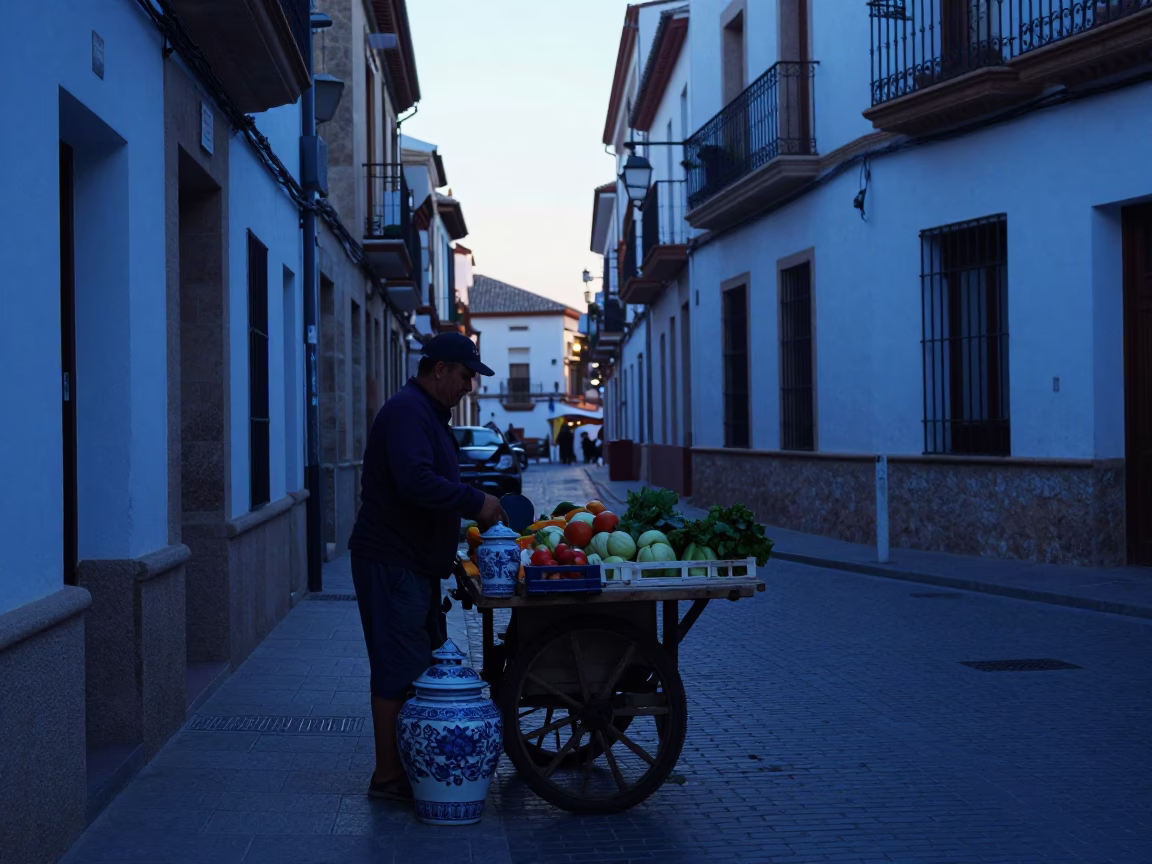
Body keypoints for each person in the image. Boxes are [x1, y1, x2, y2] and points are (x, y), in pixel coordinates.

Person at [347, 332, 507, 803]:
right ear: (439, 370)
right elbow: (416, 481)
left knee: (410, 663)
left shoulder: (425, 413)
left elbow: (429, 481)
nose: (469, 387)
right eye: (465, 376)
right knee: (397, 670)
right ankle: (388, 777)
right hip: (392, 562)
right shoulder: (406, 413)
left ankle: (402, 769)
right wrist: (476, 502)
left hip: (410, 562)